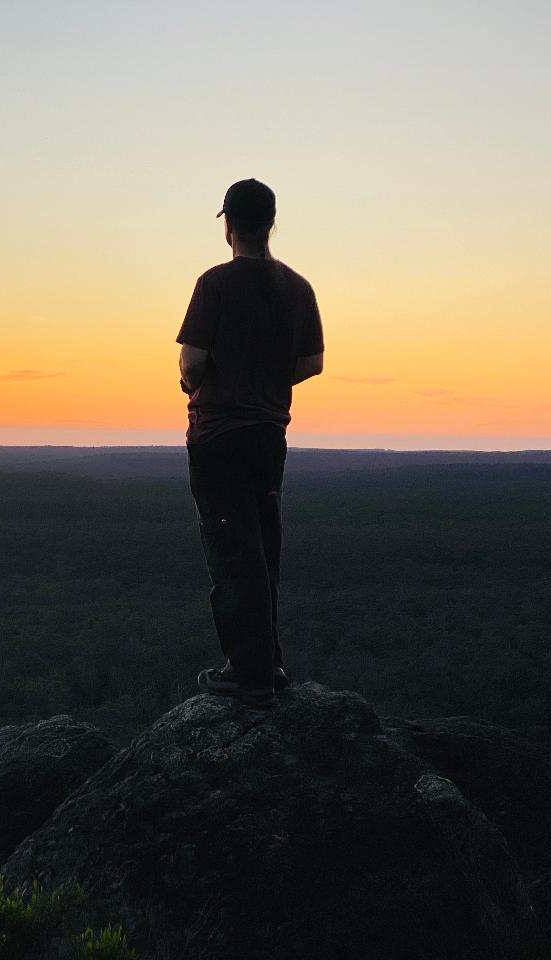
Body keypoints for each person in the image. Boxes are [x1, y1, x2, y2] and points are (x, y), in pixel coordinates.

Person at [176, 178, 324, 707]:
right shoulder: (298, 287)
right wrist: (269, 376)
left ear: (229, 224)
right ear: (272, 222)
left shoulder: (214, 284)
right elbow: (312, 363)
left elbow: (192, 360)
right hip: (268, 434)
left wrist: (196, 384)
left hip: (218, 436)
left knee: (229, 548)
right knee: (263, 546)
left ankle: (249, 672)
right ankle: (270, 662)